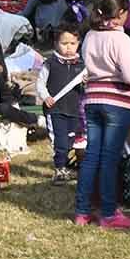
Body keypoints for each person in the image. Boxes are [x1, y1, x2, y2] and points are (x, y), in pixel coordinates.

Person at [74, 0, 130, 229]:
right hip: (117, 101)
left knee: (91, 156)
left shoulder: (90, 36)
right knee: (109, 159)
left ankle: (82, 211)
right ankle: (108, 213)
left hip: (93, 99)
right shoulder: (121, 39)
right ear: (123, 13)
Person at [36, 25, 85, 184]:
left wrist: (86, 83)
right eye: (64, 43)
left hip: (75, 109)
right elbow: (40, 83)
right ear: (56, 43)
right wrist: (46, 96)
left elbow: (85, 89)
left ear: (78, 43)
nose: (68, 47)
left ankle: (69, 166)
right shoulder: (50, 63)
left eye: (72, 43)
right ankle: (59, 169)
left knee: (73, 141)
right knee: (60, 141)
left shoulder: (82, 65)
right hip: (55, 109)